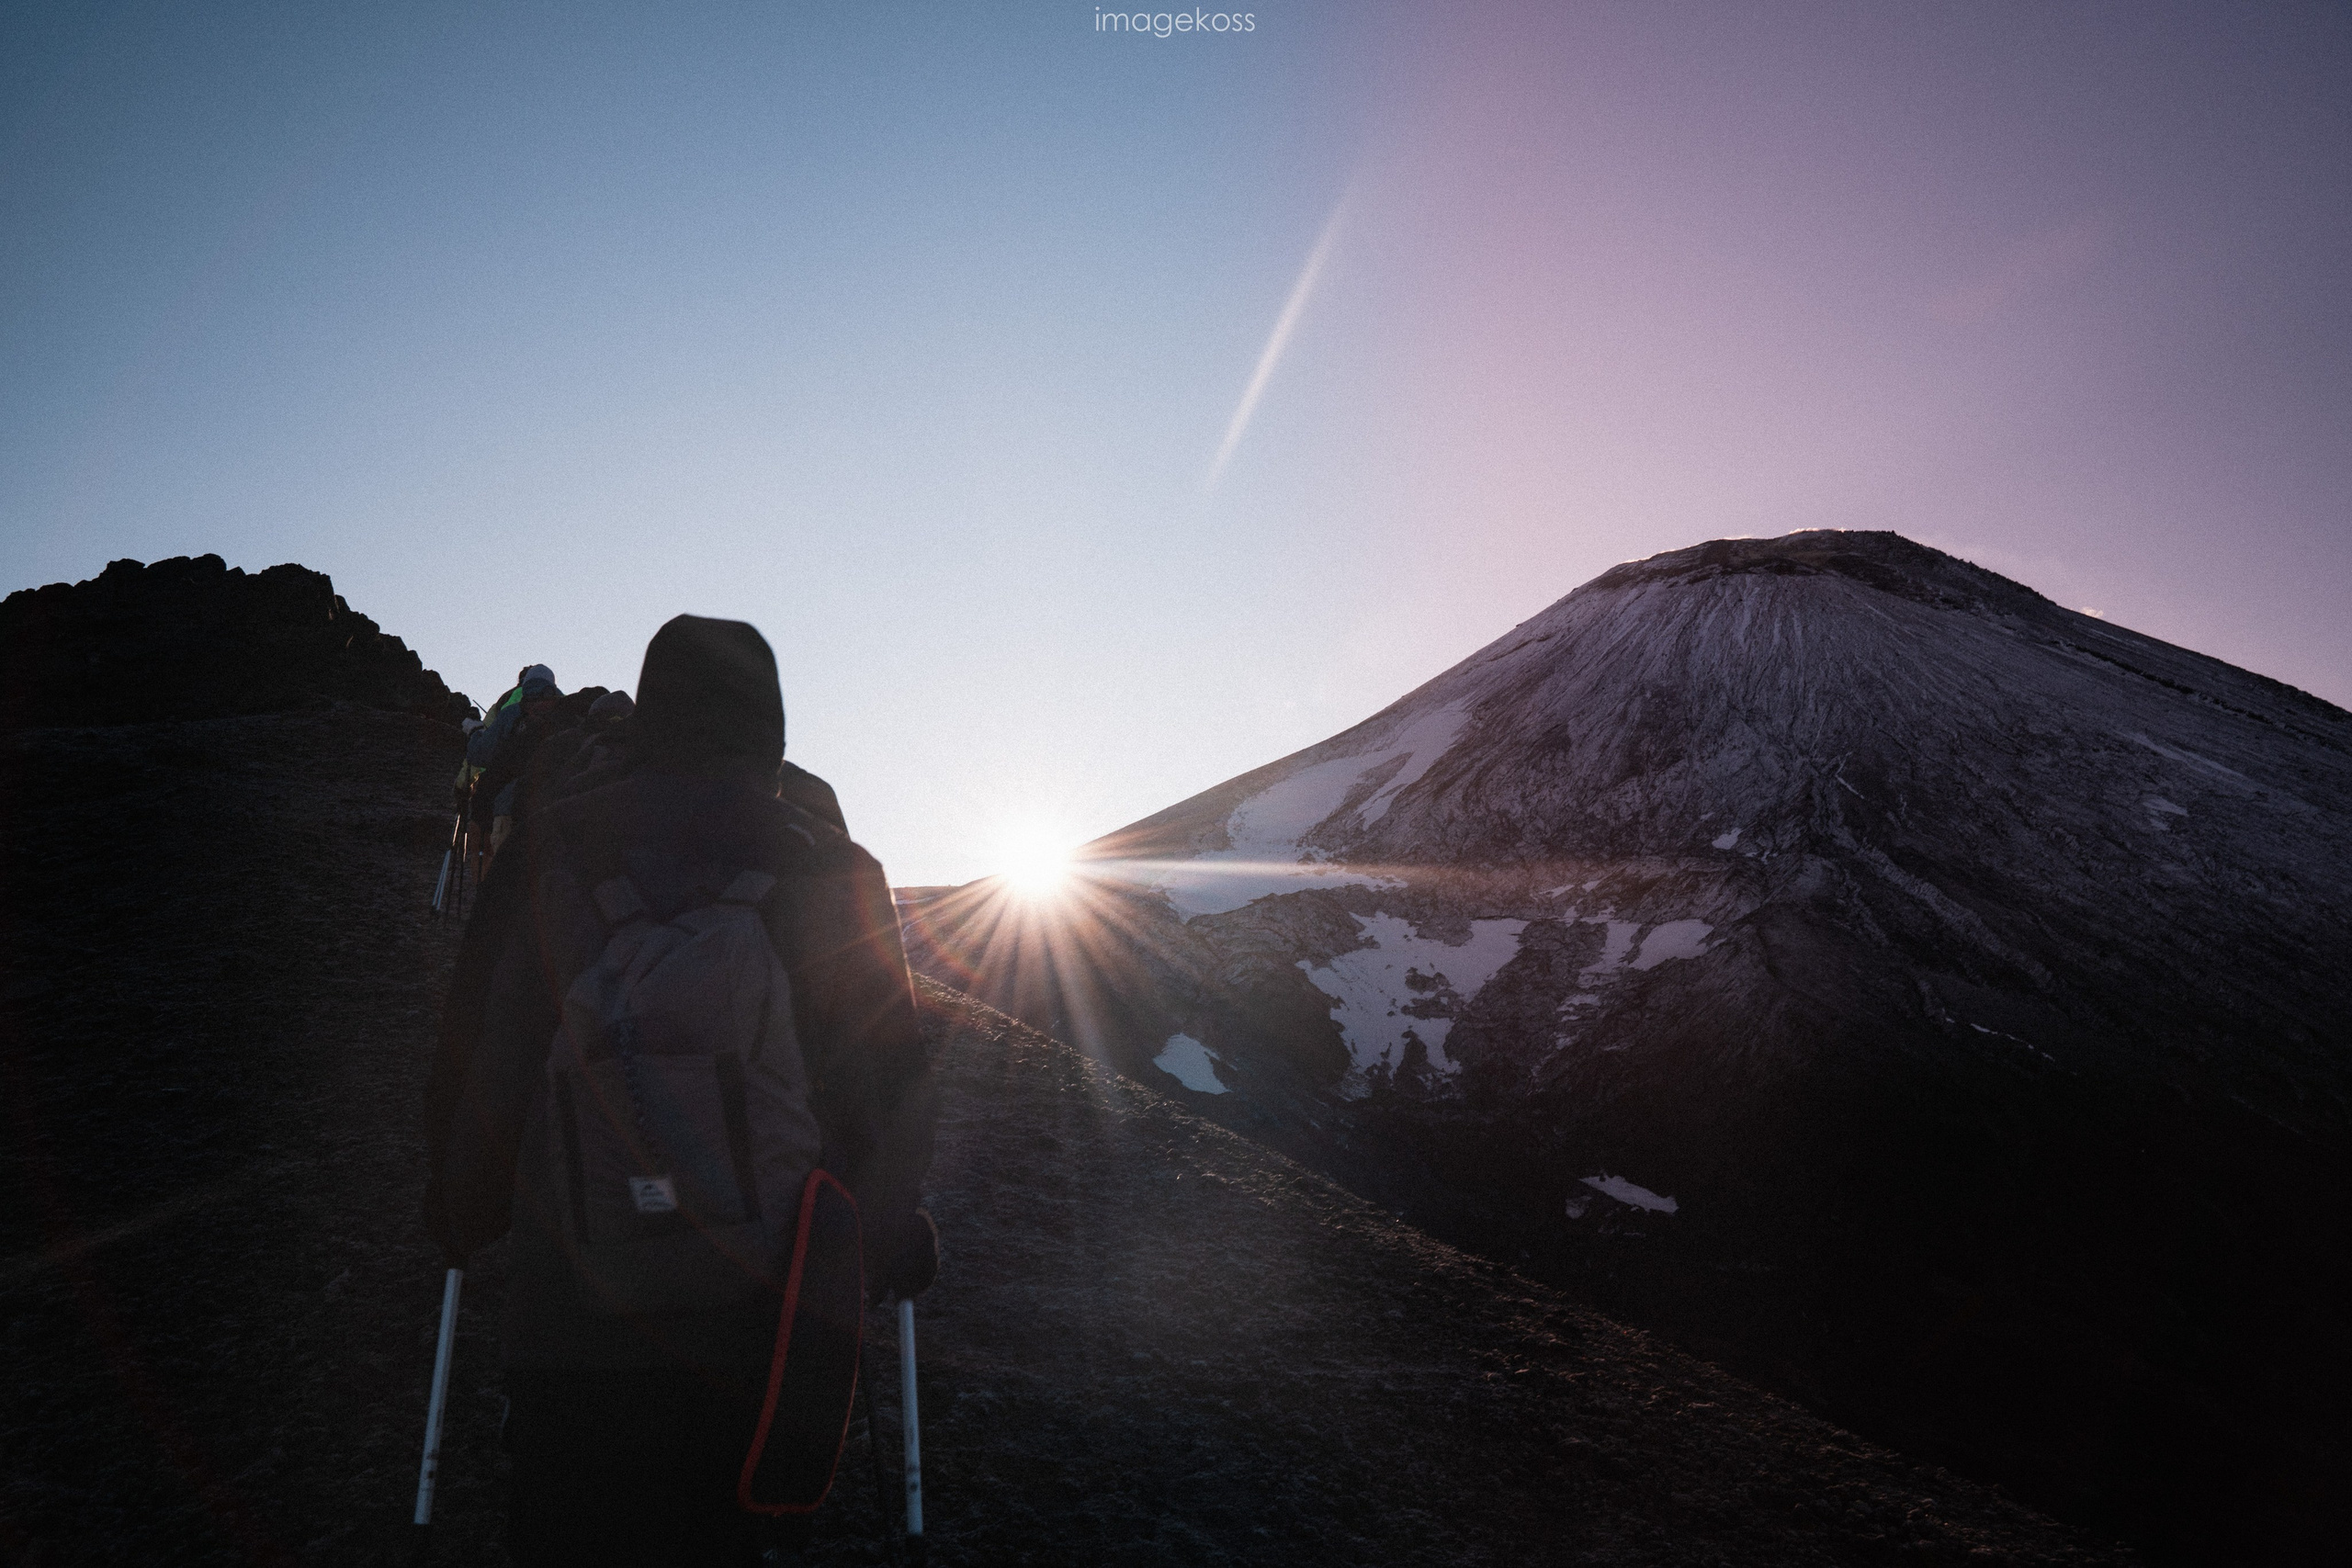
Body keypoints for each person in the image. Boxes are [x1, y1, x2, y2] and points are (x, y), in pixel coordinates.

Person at [424, 615, 937, 1566]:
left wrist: (460, 1215)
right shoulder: (834, 869)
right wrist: (883, 1243)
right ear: (772, 730)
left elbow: (482, 1079)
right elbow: (889, 1102)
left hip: (570, 1331)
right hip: (759, 1338)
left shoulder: (553, 849)